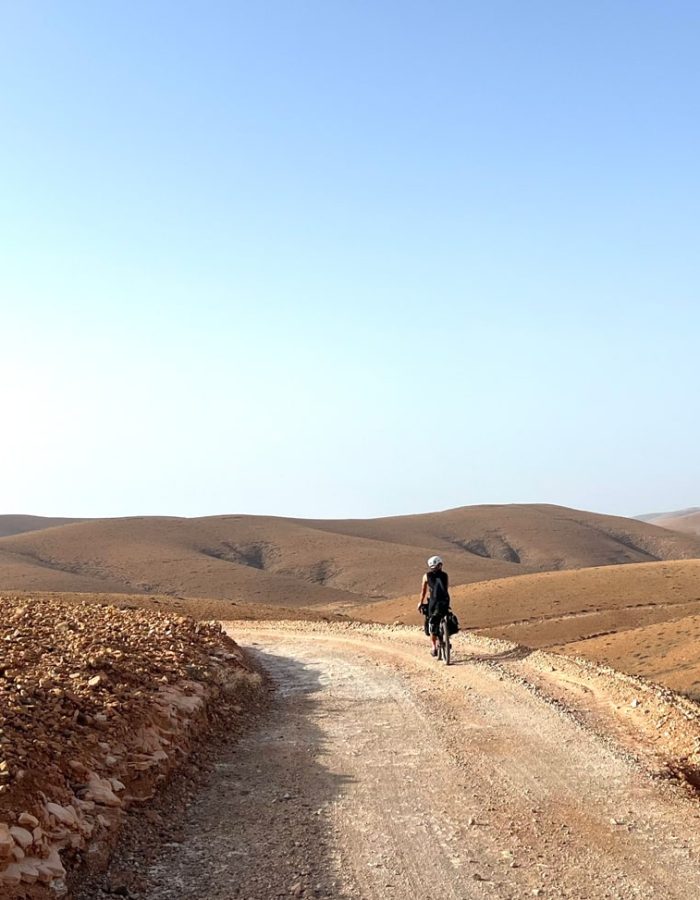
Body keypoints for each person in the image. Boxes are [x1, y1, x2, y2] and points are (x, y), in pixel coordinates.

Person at [417, 555, 450, 657]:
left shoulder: (426, 576)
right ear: (440, 565)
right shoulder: (445, 575)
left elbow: (423, 592)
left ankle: (434, 647)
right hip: (445, 601)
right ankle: (445, 633)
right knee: (445, 615)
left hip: (433, 602)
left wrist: (420, 602)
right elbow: (446, 588)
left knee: (431, 621)